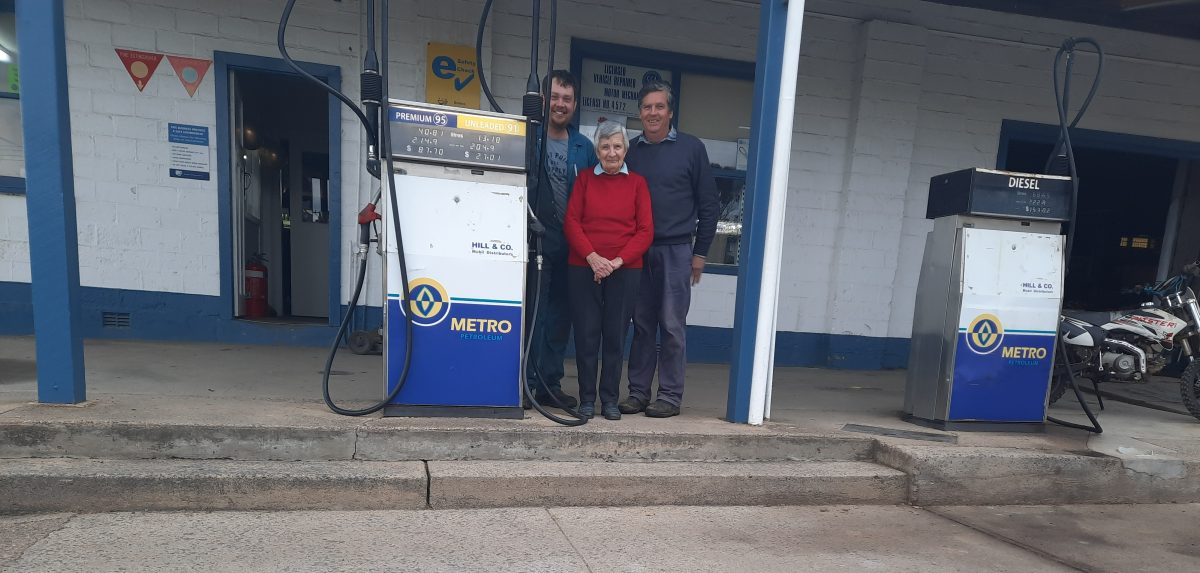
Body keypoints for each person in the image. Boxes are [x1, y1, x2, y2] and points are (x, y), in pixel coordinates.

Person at [618, 80, 719, 419]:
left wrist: (700, 253)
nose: (653, 113)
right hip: (638, 251)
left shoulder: (691, 148)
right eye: (647, 107)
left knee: (672, 326)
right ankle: (637, 393)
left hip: (677, 250)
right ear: (639, 113)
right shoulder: (630, 151)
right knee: (642, 324)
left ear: (670, 112)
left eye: (659, 107)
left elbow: (709, 205)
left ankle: (671, 396)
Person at [563, 121, 653, 420]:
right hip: (584, 268)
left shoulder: (638, 184)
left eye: (617, 146)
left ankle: (610, 400)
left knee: (614, 336)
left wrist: (615, 262)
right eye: (605, 146)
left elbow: (644, 231)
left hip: (624, 271)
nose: (611, 152)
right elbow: (572, 222)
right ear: (597, 150)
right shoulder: (585, 180)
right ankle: (587, 399)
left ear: (625, 149)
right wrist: (593, 258)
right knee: (587, 335)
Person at [525, 70, 597, 409]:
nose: (560, 104)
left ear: (575, 104)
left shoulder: (584, 147)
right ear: (543, 100)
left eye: (567, 99)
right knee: (534, 315)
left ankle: (549, 386)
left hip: (573, 243)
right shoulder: (528, 136)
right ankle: (525, 382)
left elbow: (597, 195)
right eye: (554, 97)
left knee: (560, 317)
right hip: (535, 237)